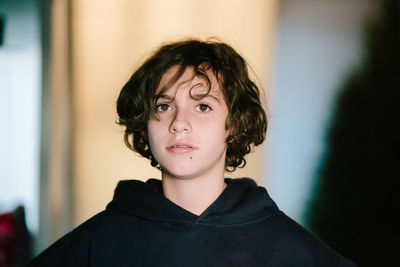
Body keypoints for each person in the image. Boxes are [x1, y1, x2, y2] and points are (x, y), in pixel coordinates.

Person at [28, 39, 357, 266]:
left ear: (235, 124)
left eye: (202, 106)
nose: (178, 123)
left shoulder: (287, 248)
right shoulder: (97, 243)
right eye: (163, 106)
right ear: (144, 125)